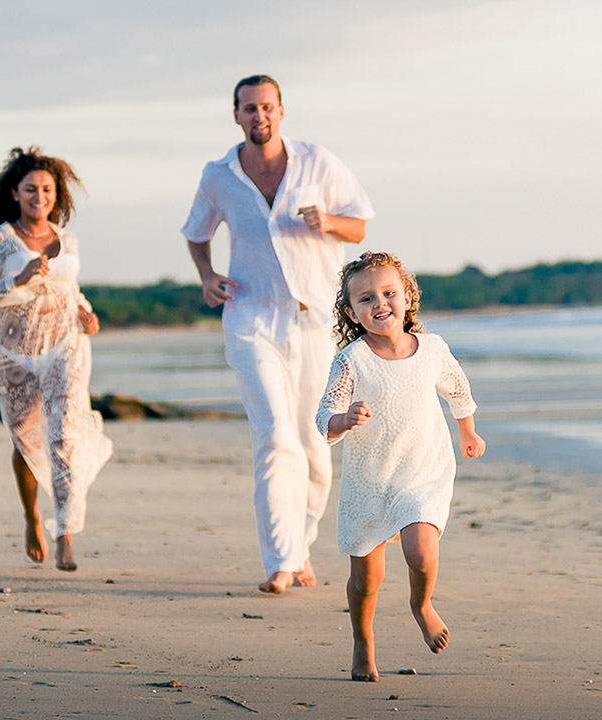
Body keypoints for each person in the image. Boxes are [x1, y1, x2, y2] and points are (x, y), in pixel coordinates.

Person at [182, 74, 376, 593]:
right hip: (250, 317)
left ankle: (300, 545)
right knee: (274, 434)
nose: (258, 116)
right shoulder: (219, 175)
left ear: (281, 111)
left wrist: (328, 221)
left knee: (316, 440)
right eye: (249, 109)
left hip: (315, 320)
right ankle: (280, 563)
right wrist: (206, 276)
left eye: (266, 107)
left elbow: (359, 226)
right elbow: (196, 233)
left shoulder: (317, 161)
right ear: (237, 115)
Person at [316, 251, 486, 682]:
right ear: (352, 312)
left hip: (422, 469)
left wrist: (468, 431)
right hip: (370, 478)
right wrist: (344, 419)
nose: (380, 304)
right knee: (365, 580)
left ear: (408, 297)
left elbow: (457, 385)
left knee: (421, 552)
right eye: (366, 299)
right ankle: (362, 641)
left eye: (389, 293)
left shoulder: (431, 348)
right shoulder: (351, 360)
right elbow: (325, 415)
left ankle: (421, 604)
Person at [0, 146, 112, 572]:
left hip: (65, 346)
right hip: (15, 355)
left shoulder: (67, 239)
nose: (39, 196)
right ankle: (32, 514)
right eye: (31, 189)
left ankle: (65, 532)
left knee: (63, 437)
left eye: (47, 189)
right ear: (15, 192)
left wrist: (85, 310)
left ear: (56, 193)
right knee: (27, 442)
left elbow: (70, 288)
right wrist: (19, 278)